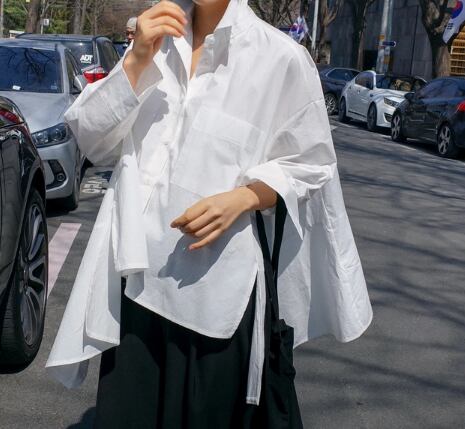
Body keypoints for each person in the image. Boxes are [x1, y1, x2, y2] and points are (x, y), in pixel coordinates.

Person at [45, 0, 373, 427]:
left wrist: (245, 197)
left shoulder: (280, 58)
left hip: (216, 296)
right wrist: (137, 59)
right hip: (134, 283)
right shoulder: (156, 42)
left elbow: (311, 163)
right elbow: (93, 141)